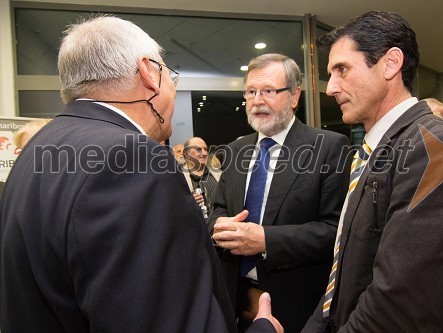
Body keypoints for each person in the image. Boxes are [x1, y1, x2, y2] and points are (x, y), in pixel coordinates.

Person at [0, 15, 282, 333]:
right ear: (149, 72)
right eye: (169, 76)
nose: (173, 91)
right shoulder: (134, 157)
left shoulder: (40, 144)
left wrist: (204, 238)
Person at [303, 10, 443, 332]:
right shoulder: (372, 154)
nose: (330, 88)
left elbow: (399, 310)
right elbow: (345, 280)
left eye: (342, 69)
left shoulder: (440, 150)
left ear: (391, 64)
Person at [210, 53, 350, 332]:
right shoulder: (235, 150)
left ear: (294, 96)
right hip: (234, 302)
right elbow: (218, 210)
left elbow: (336, 231)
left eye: (269, 91)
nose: (257, 100)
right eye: (251, 91)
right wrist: (219, 225)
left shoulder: (330, 147)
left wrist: (266, 241)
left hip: (296, 305)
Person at [182, 136, 221, 220]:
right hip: (192, 227)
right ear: (186, 154)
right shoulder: (178, 178)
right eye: (199, 150)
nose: (204, 153)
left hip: (219, 226)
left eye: (205, 149)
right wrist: (186, 203)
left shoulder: (219, 174)